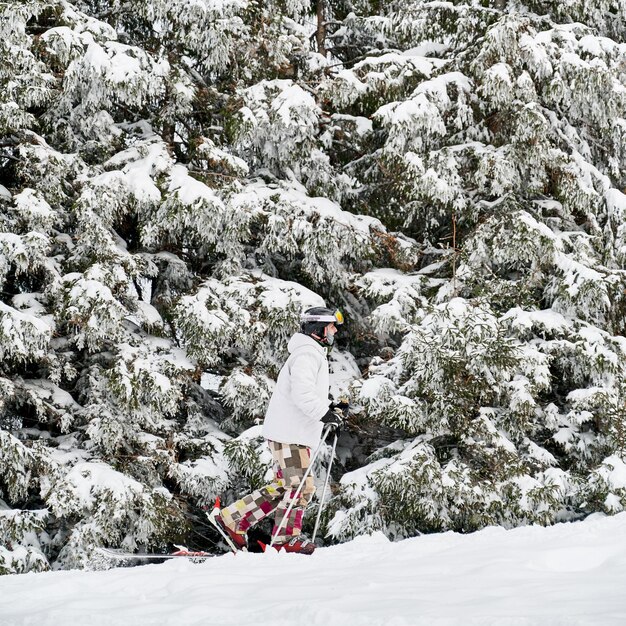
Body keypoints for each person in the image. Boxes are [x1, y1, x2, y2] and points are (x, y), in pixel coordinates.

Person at [215, 307, 347, 554]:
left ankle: (233, 520)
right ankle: (286, 540)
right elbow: (302, 394)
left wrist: (331, 407)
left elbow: (307, 393)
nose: (335, 331)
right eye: (331, 326)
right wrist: (326, 414)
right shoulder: (307, 355)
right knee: (300, 486)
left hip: (291, 433)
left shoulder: (310, 354)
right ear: (318, 329)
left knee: (285, 486)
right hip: (291, 434)